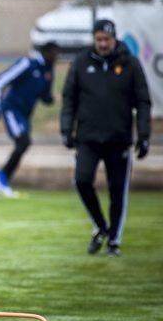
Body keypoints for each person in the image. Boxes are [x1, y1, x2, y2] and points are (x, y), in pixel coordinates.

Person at [60, 19, 152, 256]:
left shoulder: (129, 64)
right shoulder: (81, 63)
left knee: (117, 190)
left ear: (114, 39)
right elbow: (69, 98)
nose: (102, 44)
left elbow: (142, 102)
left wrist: (143, 135)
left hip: (118, 139)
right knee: (81, 181)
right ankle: (101, 226)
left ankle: (114, 241)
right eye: (98, 39)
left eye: (106, 40)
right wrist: (66, 129)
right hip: (88, 137)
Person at [0, 41, 58, 196]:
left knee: (24, 144)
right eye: (54, 53)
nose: (56, 57)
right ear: (46, 51)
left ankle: (3, 176)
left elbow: (44, 94)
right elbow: (1, 80)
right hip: (12, 109)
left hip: (25, 115)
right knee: (23, 141)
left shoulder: (48, 70)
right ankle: (2, 176)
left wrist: (49, 99)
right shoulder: (27, 64)